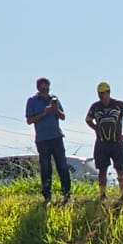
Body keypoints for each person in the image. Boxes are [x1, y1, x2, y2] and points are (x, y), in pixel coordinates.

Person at [26, 77, 71, 205]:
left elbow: (63, 117)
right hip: (42, 139)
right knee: (46, 168)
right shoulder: (32, 101)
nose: (45, 91)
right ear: (38, 89)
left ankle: (66, 193)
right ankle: (47, 195)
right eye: (42, 89)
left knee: (62, 166)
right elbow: (29, 120)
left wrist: (55, 109)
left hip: (56, 137)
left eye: (47, 89)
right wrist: (44, 113)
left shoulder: (54, 99)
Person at [86, 82, 123, 201]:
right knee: (102, 170)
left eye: (103, 93)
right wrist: (95, 128)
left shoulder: (119, 104)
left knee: (120, 169)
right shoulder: (95, 106)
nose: (101, 96)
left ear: (108, 92)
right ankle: (102, 195)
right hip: (101, 142)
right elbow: (88, 119)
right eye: (99, 93)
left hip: (116, 142)